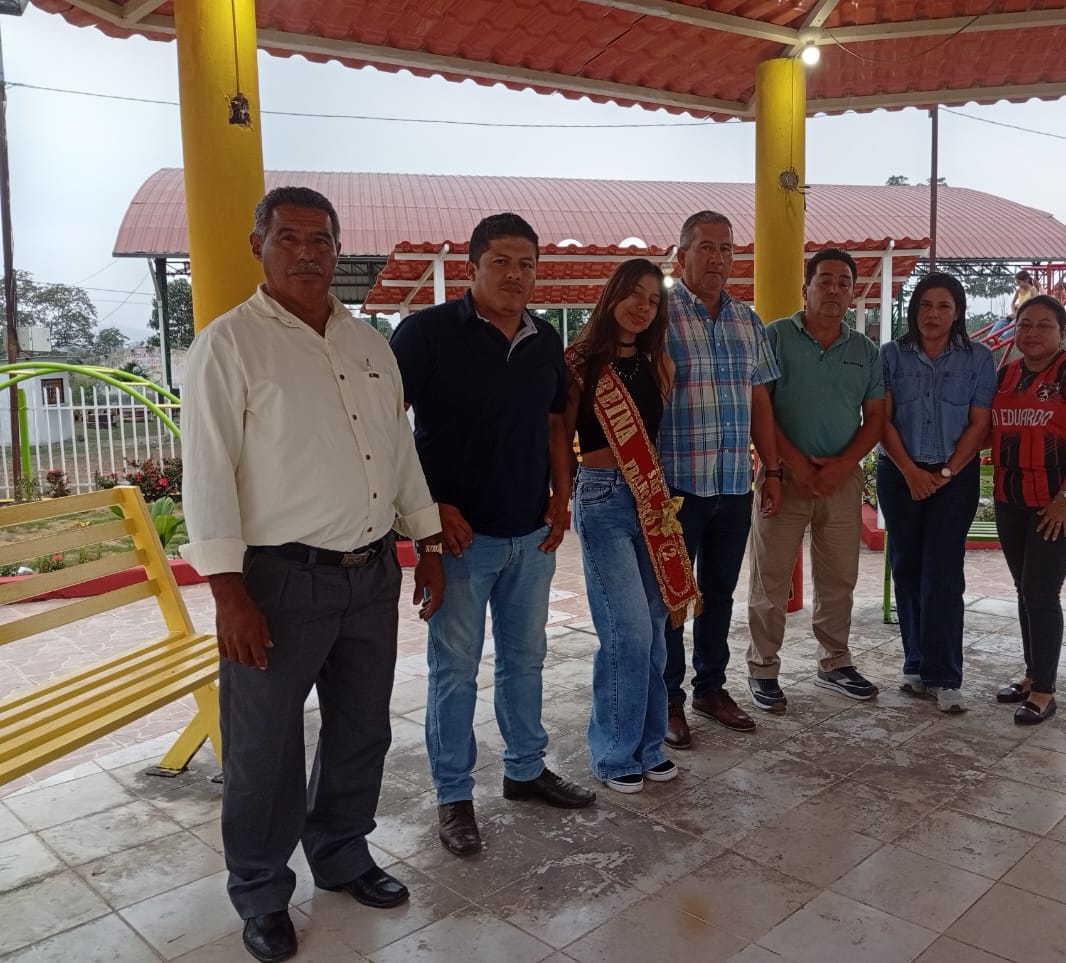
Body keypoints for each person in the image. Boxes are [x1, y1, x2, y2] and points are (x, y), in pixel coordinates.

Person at [181, 186, 445, 963]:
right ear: (258, 245)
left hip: (370, 574)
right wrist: (227, 590)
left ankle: (341, 851)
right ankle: (262, 889)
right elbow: (207, 473)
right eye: (289, 237)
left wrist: (428, 541)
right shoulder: (228, 346)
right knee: (264, 747)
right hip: (276, 582)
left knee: (362, 726)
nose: (306, 252)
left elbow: (397, 450)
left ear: (338, 248)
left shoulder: (368, 344)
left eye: (321, 239)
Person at [390, 212, 595, 860]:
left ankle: (525, 769)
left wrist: (561, 497)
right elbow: (386, 427)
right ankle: (454, 794)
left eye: (526, 264)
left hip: (531, 536)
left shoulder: (544, 338)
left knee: (525, 659)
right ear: (472, 266)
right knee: (454, 671)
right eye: (501, 261)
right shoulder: (425, 334)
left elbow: (556, 424)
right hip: (460, 540)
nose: (514, 275)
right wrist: (427, 509)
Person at [564, 258, 699, 793]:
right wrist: (555, 498)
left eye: (653, 299)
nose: (643, 306)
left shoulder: (658, 363)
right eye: (634, 294)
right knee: (627, 631)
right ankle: (613, 753)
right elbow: (559, 438)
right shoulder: (578, 364)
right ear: (612, 295)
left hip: (651, 500)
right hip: (602, 499)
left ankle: (648, 747)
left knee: (657, 630)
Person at [660, 210, 783, 750]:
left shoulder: (746, 320)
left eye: (726, 249)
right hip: (674, 488)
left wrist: (771, 469)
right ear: (681, 255)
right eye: (706, 247)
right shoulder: (657, 314)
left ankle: (710, 689)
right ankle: (668, 698)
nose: (717, 258)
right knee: (671, 597)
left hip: (733, 485)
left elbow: (760, 398)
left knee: (720, 593)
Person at [746, 249, 885, 712]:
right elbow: (760, 407)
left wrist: (842, 465)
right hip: (780, 478)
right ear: (805, 288)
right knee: (770, 578)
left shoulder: (865, 351)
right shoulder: (775, 337)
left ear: (852, 294)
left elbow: (876, 417)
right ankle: (763, 668)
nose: (834, 290)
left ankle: (835, 662)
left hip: (841, 482)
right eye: (824, 280)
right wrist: (790, 467)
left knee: (839, 577)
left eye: (844, 283)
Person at [878, 272, 996, 713]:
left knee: (943, 574)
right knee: (907, 567)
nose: (933, 314)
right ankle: (916, 664)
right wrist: (911, 472)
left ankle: (945, 675)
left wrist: (945, 472)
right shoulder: (891, 355)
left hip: (955, 477)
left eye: (944, 306)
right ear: (914, 310)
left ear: (957, 312)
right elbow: (882, 420)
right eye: (925, 305)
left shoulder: (978, 358)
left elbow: (980, 423)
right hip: (900, 475)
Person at [991, 294, 1066, 724]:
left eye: (1044, 325)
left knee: (1041, 590)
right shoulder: (1005, 375)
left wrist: (1065, 499)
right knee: (1024, 588)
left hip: (1061, 504)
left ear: (1062, 333)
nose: (1032, 333)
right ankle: (1032, 674)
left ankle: (1044, 690)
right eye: (1025, 324)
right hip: (1011, 499)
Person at [991, 270, 1039, 337]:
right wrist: (1014, 313)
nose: (1018, 284)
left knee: (1013, 324)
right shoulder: (1019, 290)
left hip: (1027, 315)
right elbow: (1013, 303)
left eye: (1019, 282)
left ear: (1026, 280)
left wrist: (1019, 314)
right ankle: (990, 337)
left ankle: (1001, 338)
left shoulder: (1032, 290)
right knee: (1002, 321)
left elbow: (1036, 306)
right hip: (1018, 314)